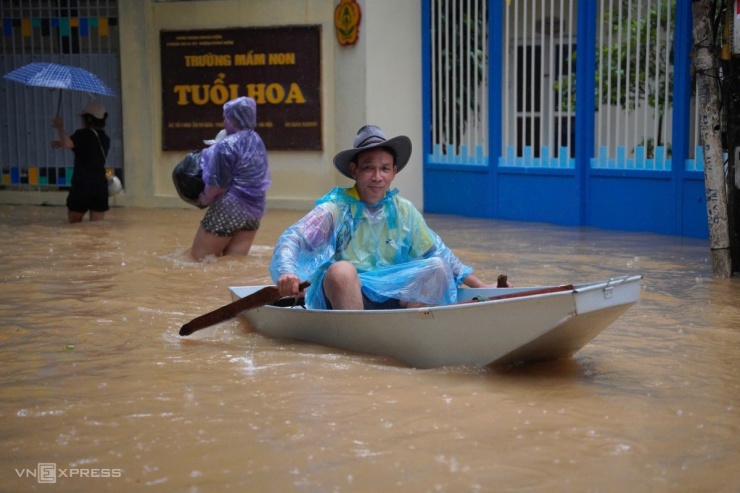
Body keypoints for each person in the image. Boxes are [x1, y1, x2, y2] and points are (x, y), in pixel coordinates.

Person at [270, 124, 508, 310]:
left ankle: (413, 326)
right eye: (368, 168)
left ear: (394, 172)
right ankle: (357, 337)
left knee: (437, 267)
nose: (377, 177)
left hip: (392, 297)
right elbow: (293, 239)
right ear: (354, 171)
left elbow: (439, 253)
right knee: (342, 270)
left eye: (384, 168)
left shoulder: (404, 211)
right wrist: (287, 272)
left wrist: (482, 287)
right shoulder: (335, 209)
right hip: (346, 297)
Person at [191, 96, 271, 261]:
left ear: (233, 119)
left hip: (229, 208)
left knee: (199, 261)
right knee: (234, 264)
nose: (224, 121)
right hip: (255, 210)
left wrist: (202, 200)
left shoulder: (227, 145)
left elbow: (217, 186)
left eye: (225, 117)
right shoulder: (257, 141)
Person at [51, 100, 111, 223]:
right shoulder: (105, 138)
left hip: (82, 186)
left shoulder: (82, 134)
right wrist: (67, 142)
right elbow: (88, 150)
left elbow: (68, 144)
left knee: (74, 228)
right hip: (100, 187)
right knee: (97, 231)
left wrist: (59, 127)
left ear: (88, 119)